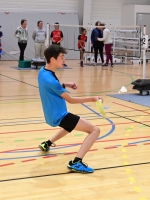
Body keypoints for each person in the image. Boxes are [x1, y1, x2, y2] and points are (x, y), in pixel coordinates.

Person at [38, 44, 102, 173]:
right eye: (62, 57)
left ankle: (47, 143)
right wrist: (93, 98)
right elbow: (71, 100)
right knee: (95, 130)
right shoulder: (52, 81)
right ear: (52, 59)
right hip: (59, 116)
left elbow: (51, 86)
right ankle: (76, 162)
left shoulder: (43, 71)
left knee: (70, 126)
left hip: (51, 114)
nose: (64, 60)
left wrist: (66, 84)